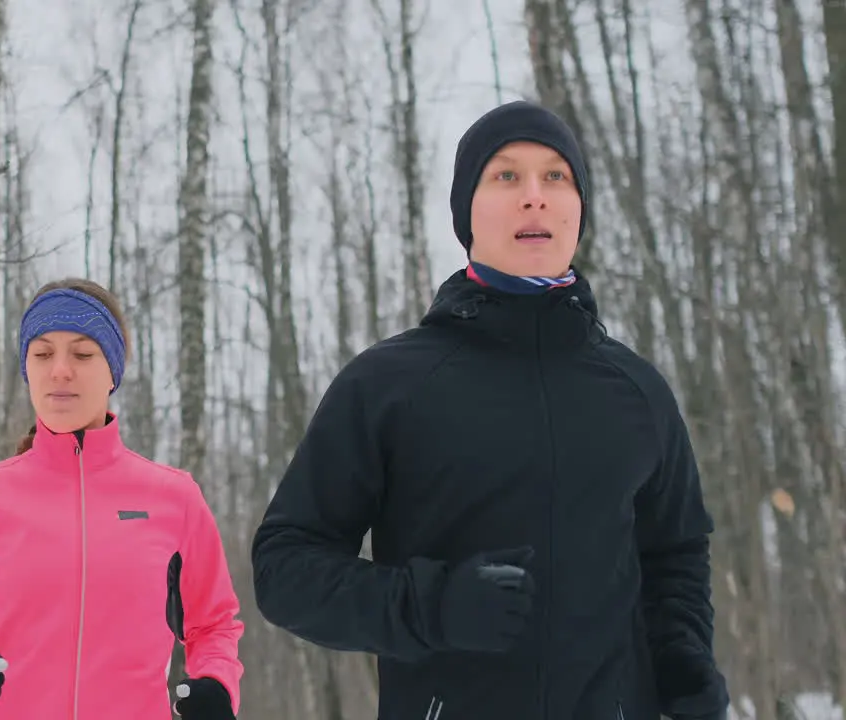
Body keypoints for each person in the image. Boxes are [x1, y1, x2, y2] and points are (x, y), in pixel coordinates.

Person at [250, 100, 730, 720]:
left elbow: (676, 552)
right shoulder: (390, 383)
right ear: (465, 212)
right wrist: (429, 606)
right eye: (505, 175)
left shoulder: (637, 390)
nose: (535, 196)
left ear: (577, 207)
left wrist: (682, 658)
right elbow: (285, 568)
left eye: (555, 176)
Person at [0, 278, 244, 720]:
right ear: (27, 369)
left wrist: (217, 686)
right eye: (42, 354)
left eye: (82, 353)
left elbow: (214, 625)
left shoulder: (175, 498)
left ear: (113, 370)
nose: (60, 370)